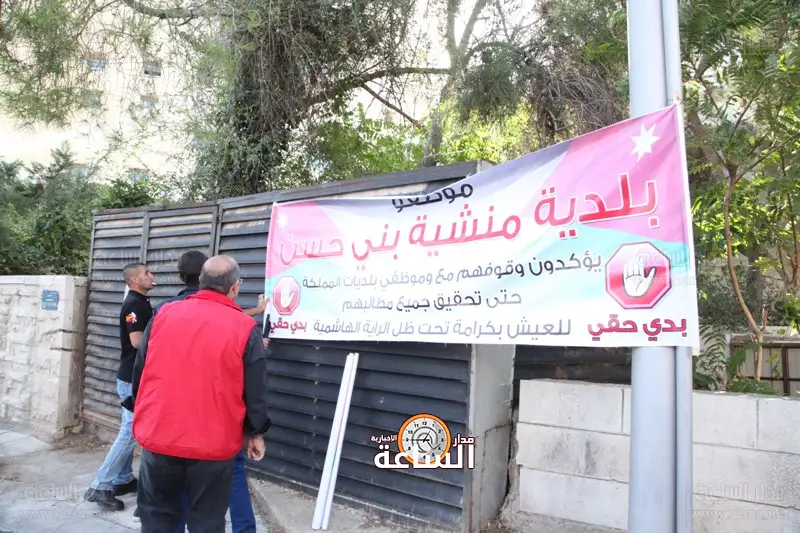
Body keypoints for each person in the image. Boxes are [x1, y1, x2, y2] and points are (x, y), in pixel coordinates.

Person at [123, 249, 266, 531]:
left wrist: (142, 414)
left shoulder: (163, 314)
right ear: (235, 288)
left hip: (160, 436)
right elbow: (255, 390)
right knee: (207, 520)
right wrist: (256, 431)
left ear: (201, 282)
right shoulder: (245, 327)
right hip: (213, 444)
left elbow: (140, 371)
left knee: (157, 517)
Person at [84, 262, 155, 511]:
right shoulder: (134, 304)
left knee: (130, 428)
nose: (151, 275)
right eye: (146, 273)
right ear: (134, 280)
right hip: (131, 379)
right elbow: (137, 341)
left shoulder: (142, 301)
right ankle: (100, 485)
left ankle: (122, 479)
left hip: (135, 376)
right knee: (131, 430)